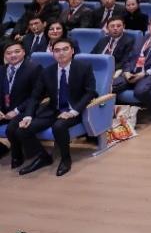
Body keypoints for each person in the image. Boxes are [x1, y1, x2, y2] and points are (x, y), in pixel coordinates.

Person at [17, 39, 97, 175]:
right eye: (57, 50)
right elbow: (35, 96)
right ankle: (43, 157)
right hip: (54, 109)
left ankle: (66, 159)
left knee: (59, 126)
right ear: (53, 53)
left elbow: (90, 93)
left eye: (65, 49)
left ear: (72, 51)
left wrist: (73, 112)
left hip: (75, 109)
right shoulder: (47, 71)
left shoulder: (84, 68)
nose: (61, 53)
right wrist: (28, 116)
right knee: (23, 129)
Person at [0, 41, 41, 168]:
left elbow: (36, 95)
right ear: (4, 55)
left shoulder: (34, 68)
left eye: (17, 52)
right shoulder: (1, 70)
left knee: (11, 128)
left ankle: (17, 155)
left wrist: (17, 110)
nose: (13, 55)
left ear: (23, 52)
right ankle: (2, 148)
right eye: (9, 53)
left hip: (24, 109)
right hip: (4, 110)